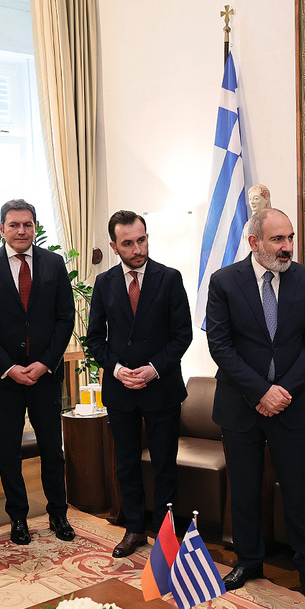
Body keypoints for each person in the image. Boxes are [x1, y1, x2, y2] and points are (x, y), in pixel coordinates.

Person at [205, 207, 305, 603]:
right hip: (240, 406)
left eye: (289, 238)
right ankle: (248, 561)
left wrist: (282, 391)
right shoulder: (224, 282)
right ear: (254, 242)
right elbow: (220, 345)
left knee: (298, 490)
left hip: (291, 404)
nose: (287, 246)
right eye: (278, 239)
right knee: (243, 489)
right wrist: (261, 392)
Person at [85, 210, 192, 558]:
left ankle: (165, 535)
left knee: (164, 465)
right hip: (120, 389)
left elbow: (182, 336)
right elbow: (95, 339)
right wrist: (117, 370)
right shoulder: (104, 283)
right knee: (126, 464)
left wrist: (153, 369)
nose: (137, 249)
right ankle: (133, 530)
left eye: (141, 240)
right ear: (114, 246)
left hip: (161, 387)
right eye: (128, 243)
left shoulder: (169, 278)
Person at [0, 199, 76, 544]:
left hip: (45, 375)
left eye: (27, 224)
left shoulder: (54, 263)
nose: (21, 231)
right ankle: (18, 518)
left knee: (52, 449)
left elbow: (65, 318)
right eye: (14, 225)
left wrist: (46, 362)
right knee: (9, 452)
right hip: (5, 379)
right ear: (2, 228)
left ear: (35, 227)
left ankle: (58, 514)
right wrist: (9, 367)